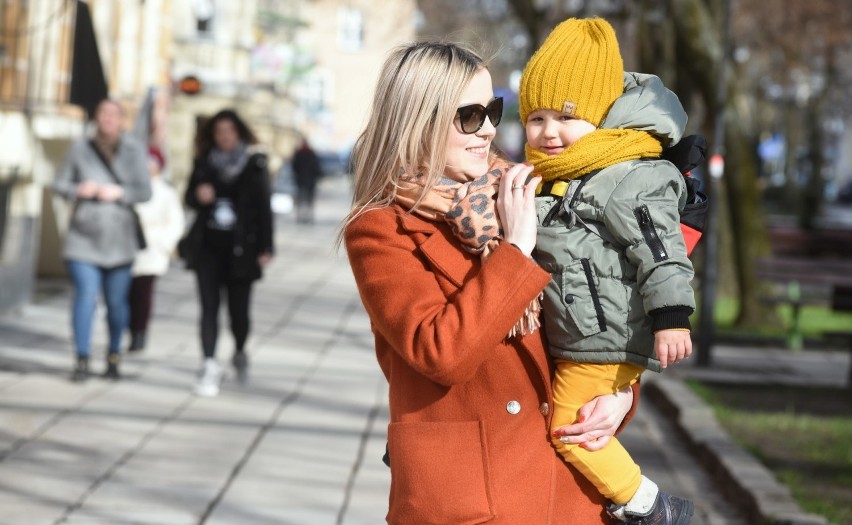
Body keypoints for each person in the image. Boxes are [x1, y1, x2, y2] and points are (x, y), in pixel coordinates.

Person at [340, 41, 641, 525]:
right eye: (469, 115)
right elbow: (439, 351)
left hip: (566, 487)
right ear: (420, 120)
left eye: (493, 109)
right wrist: (516, 250)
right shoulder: (382, 229)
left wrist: (621, 392)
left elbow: (596, 314)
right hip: (468, 495)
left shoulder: (530, 193)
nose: (488, 129)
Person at [519, 18, 696, 524]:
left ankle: (649, 506)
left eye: (567, 118)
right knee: (576, 426)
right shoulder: (560, 175)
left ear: (600, 116)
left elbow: (661, 251)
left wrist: (672, 317)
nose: (550, 132)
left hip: (603, 339)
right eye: (537, 118)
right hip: (584, 334)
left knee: (570, 432)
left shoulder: (623, 176)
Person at [54, 98, 152, 381]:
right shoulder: (80, 148)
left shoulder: (134, 150)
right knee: (84, 297)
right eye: (103, 113)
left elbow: (145, 191)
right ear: (96, 117)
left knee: (117, 303)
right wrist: (78, 189)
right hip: (83, 237)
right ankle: (82, 358)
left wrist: (120, 192)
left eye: (114, 114)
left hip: (119, 240)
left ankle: (113, 355)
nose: (108, 118)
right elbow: (59, 183)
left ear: (122, 120)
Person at [181, 109, 274, 397]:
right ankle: (209, 363)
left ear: (238, 133)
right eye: (219, 132)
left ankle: (240, 350)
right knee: (209, 309)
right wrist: (198, 196)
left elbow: (263, 209)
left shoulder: (253, 165)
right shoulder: (203, 163)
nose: (224, 137)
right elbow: (188, 198)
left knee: (239, 314)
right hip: (208, 250)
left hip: (242, 252)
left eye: (229, 131)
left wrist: (267, 246)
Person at [127, 148, 185, 352]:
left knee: (143, 294)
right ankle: (127, 328)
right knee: (125, 295)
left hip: (153, 249)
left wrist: (163, 244)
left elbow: (176, 223)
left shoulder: (166, 192)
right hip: (128, 248)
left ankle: (139, 333)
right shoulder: (130, 187)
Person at [291, 137, 323, 224]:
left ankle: (300, 216)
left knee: (301, 199)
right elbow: (316, 167)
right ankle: (308, 216)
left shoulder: (298, 153)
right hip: (310, 180)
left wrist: (297, 175)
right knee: (309, 200)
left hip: (301, 180)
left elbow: (294, 166)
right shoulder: (311, 153)